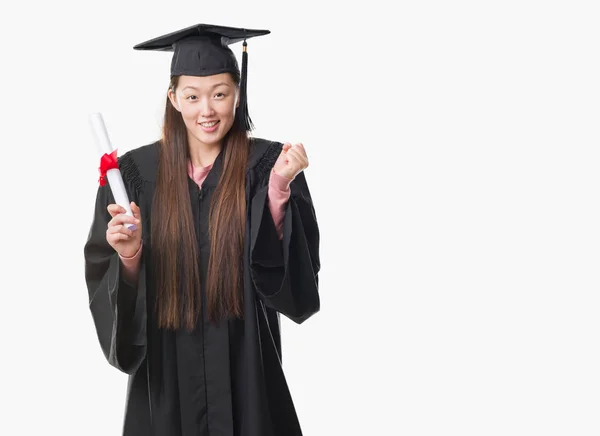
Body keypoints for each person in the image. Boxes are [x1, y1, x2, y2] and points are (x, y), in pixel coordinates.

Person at [83, 23, 321, 436]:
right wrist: (131, 254)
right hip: (166, 376)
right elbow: (108, 286)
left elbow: (293, 287)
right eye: (192, 96)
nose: (206, 110)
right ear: (174, 98)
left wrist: (279, 191)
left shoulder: (269, 166)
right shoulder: (135, 175)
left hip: (247, 373)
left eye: (220, 94)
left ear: (237, 95)